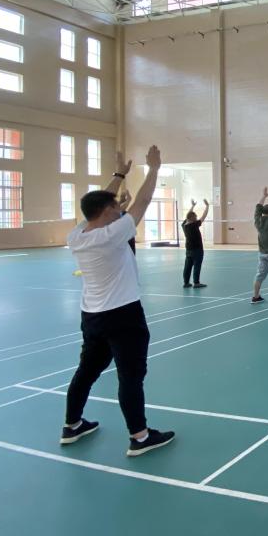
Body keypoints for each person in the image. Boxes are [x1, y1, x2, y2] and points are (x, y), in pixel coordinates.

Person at [62, 147, 175, 457]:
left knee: (86, 371)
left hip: (92, 316)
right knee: (130, 376)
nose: (119, 209)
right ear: (107, 211)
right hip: (123, 316)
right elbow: (143, 201)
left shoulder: (77, 235)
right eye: (115, 206)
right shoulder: (112, 234)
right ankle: (140, 437)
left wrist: (119, 175)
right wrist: (154, 169)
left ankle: (72, 425)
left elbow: (97, 203)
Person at [182, 198, 209, 288]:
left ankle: (186, 282)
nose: (196, 218)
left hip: (188, 250)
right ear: (192, 218)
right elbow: (203, 216)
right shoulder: (194, 225)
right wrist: (207, 206)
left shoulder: (184, 225)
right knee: (197, 266)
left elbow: (188, 215)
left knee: (187, 266)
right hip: (197, 250)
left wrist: (192, 206)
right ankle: (196, 283)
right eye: (195, 217)